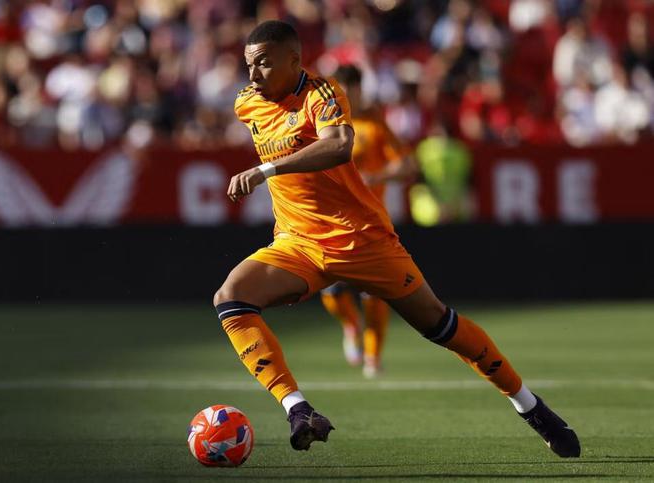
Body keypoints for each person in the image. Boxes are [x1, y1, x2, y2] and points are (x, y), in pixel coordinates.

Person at [214, 20, 580, 456]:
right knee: (231, 298)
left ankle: (530, 406)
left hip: (362, 240)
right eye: (248, 65)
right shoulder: (247, 103)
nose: (252, 74)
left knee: (440, 326)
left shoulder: (322, 93)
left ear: (294, 60)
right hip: (299, 241)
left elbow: (339, 145)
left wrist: (265, 170)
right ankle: (298, 410)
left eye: (262, 63)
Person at [320, 64, 417, 378]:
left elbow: (407, 165)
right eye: (341, 90)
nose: (347, 96)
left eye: (352, 89)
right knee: (331, 291)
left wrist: (376, 176)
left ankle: (373, 357)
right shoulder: (325, 122)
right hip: (334, 221)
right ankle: (351, 325)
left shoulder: (375, 124)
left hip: (371, 223)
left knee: (374, 293)